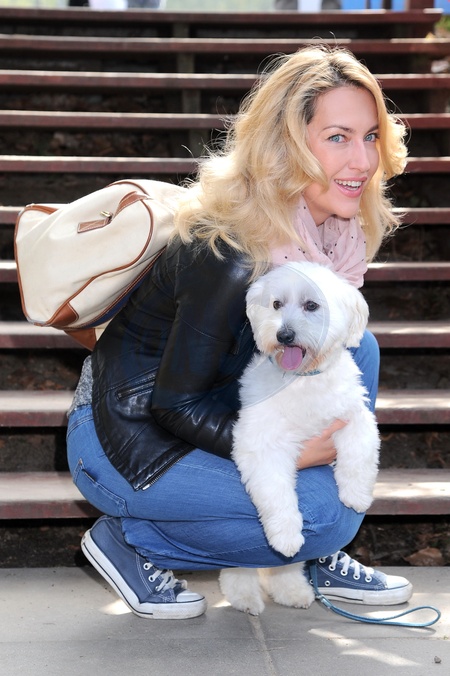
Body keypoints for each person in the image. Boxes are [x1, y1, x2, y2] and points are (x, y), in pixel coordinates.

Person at [67, 46, 412, 620]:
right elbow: (173, 405)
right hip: (128, 438)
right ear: (286, 147)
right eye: (337, 137)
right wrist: (290, 453)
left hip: (213, 413)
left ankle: (309, 555)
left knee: (356, 347)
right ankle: (131, 541)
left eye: (371, 136)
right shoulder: (231, 252)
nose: (362, 159)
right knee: (324, 516)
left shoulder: (331, 238)